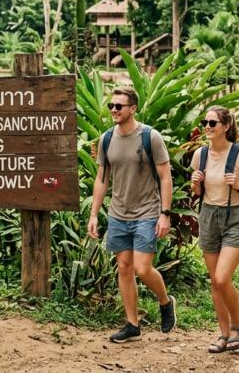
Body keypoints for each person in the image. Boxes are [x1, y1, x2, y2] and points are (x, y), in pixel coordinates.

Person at [87, 86, 176, 343]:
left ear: (133, 108)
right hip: (118, 213)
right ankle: (132, 324)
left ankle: (165, 301)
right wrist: (94, 214)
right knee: (124, 268)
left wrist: (165, 214)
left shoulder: (150, 137)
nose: (113, 110)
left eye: (119, 106)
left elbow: (165, 177)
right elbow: (102, 179)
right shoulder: (106, 139)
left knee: (142, 268)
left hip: (147, 212)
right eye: (111, 106)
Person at [190, 107, 239, 353]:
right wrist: (195, 183)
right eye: (205, 122)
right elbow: (197, 193)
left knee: (223, 278)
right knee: (215, 282)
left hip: (235, 217)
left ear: (226, 126)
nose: (207, 126)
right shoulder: (200, 155)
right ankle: (223, 334)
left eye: (213, 123)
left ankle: (237, 325)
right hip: (208, 216)